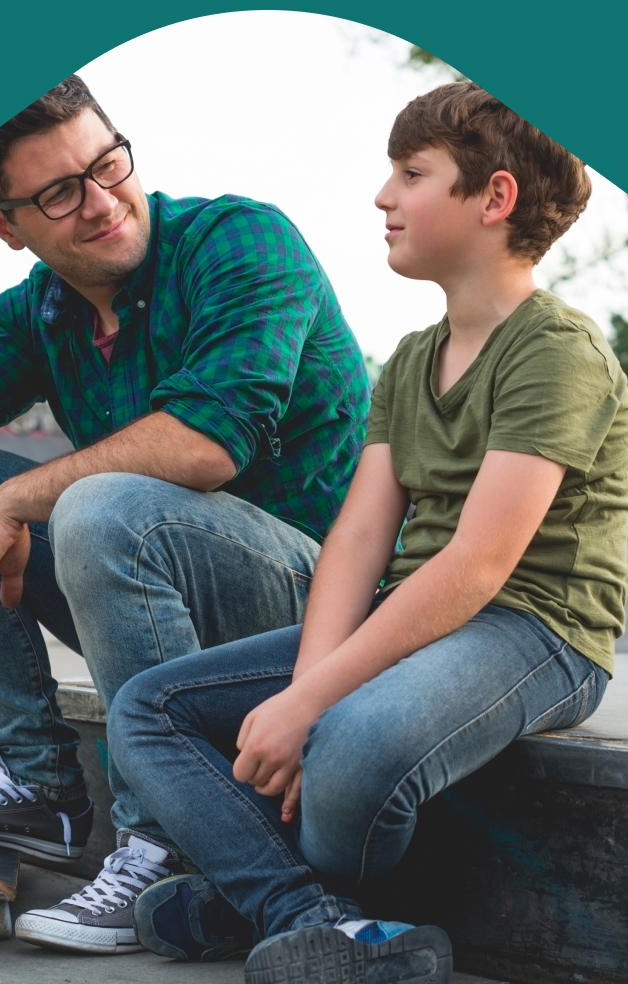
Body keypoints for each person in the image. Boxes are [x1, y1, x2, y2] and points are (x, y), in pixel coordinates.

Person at [103, 81, 628, 983]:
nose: (383, 195)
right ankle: (314, 918)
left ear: (494, 198)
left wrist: (313, 712)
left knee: (348, 750)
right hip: (416, 615)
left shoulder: (558, 352)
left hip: (536, 628)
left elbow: (479, 563)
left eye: (411, 172)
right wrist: (310, 688)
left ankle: (254, 897)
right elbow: (358, 539)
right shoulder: (414, 359)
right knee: (147, 709)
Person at [0, 75, 369, 953]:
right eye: (60, 193)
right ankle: (40, 788)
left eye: (108, 164)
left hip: (325, 608)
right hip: (157, 587)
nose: (102, 202)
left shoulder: (239, 241)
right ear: (6, 226)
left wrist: (24, 498)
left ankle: (163, 841)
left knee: (100, 503)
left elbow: (209, 445)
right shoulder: (44, 310)